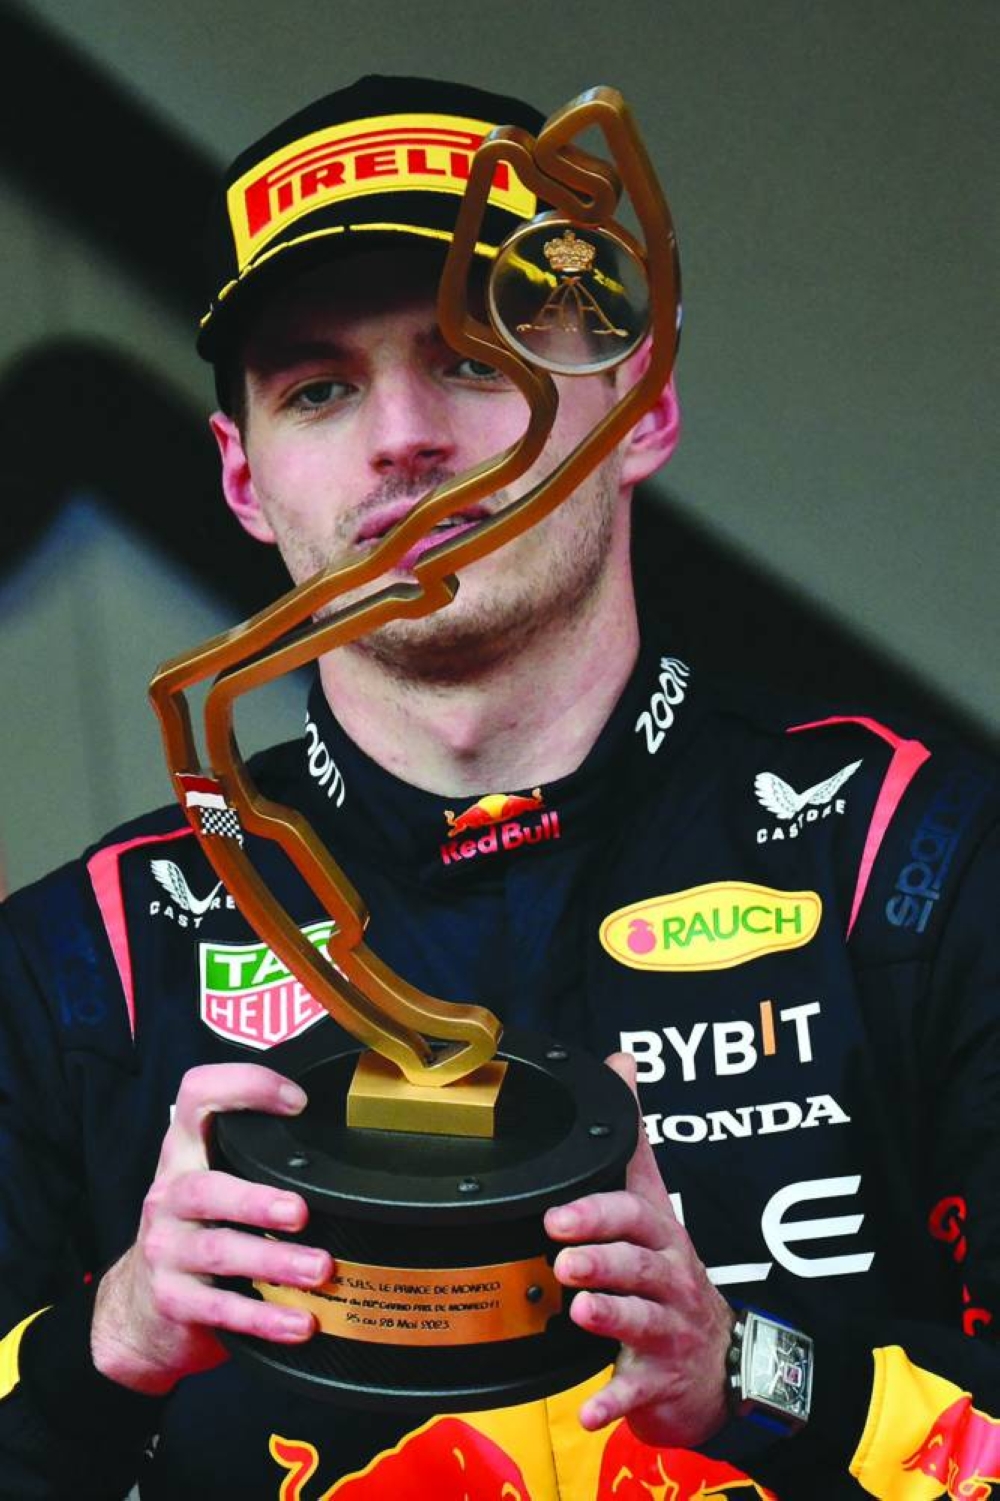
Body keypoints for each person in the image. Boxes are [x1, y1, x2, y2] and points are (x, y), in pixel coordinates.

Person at [0, 73, 996, 1501]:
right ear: (241, 477)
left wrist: (757, 1376)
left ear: (642, 406)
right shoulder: (78, 963)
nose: (403, 433)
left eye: (478, 357)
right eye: (322, 386)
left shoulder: (918, 865)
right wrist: (111, 1339)